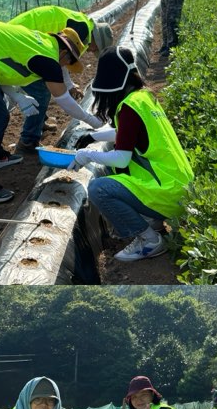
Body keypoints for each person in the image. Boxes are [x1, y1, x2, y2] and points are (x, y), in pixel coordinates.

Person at [0, 21, 105, 203]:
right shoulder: (48, 59)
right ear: (64, 53)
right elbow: (64, 100)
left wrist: (18, 96)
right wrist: (92, 121)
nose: (66, 67)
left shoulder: (41, 43)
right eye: (69, 62)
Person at [72, 45, 193, 261]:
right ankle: (153, 220)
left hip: (168, 193)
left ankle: (149, 240)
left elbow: (122, 156)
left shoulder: (128, 107)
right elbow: (130, 133)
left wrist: (86, 155)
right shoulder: (144, 97)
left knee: (99, 188)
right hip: (180, 186)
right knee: (114, 170)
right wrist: (94, 137)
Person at [7, 7, 113, 156]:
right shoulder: (81, 31)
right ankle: (28, 141)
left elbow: (59, 56)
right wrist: (90, 119)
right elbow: (58, 57)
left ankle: (39, 125)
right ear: (95, 39)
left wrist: (69, 85)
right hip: (18, 40)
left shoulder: (83, 27)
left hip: (27, 39)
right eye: (96, 48)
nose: (91, 51)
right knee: (41, 94)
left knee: (44, 86)